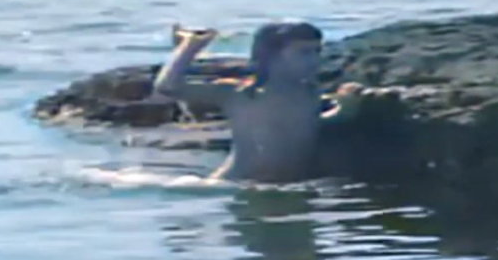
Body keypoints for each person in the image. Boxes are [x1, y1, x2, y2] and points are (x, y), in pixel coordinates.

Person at [152, 21, 364, 183]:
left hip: (285, 187)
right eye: (304, 53)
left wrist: (347, 107)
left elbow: (305, 125)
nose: (314, 60)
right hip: (235, 184)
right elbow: (168, 87)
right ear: (271, 56)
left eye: (317, 52)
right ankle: (187, 40)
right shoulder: (242, 93)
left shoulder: (309, 92)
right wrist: (190, 48)